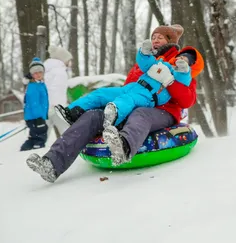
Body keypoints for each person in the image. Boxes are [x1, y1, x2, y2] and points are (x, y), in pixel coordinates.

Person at [25, 24, 204, 183]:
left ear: (169, 42)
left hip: (163, 112)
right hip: (132, 103)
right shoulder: (144, 63)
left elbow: (187, 100)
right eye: (153, 37)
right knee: (93, 115)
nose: (155, 41)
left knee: (140, 114)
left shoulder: (181, 64)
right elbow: (129, 88)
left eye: (160, 38)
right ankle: (52, 163)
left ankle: (124, 148)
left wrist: (171, 81)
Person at [44, 46, 73, 138]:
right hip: (55, 108)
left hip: (46, 107)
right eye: (69, 60)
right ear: (63, 59)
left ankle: (37, 150)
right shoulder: (60, 72)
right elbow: (56, 89)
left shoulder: (48, 70)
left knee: (42, 135)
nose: (70, 62)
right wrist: (57, 106)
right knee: (67, 134)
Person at [20, 58, 49, 151]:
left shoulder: (40, 84)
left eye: (40, 72)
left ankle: (24, 150)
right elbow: (34, 103)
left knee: (35, 136)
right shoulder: (33, 86)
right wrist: (39, 118)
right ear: (32, 75)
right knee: (41, 136)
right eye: (35, 73)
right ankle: (39, 151)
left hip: (37, 116)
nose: (38, 74)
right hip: (35, 117)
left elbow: (43, 101)